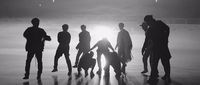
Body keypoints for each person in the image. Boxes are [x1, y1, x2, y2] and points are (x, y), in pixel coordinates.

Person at [144, 15, 172, 83]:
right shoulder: (150, 29)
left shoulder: (159, 23)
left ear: (150, 20)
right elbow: (147, 39)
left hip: (161, 47)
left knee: (163, 62)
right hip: (157, 48)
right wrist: (144, 47)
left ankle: (166, 76)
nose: (147, 24)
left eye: (147, 22)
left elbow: (167, 28)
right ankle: (156, 77)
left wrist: (165, 38)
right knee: (156, 63)